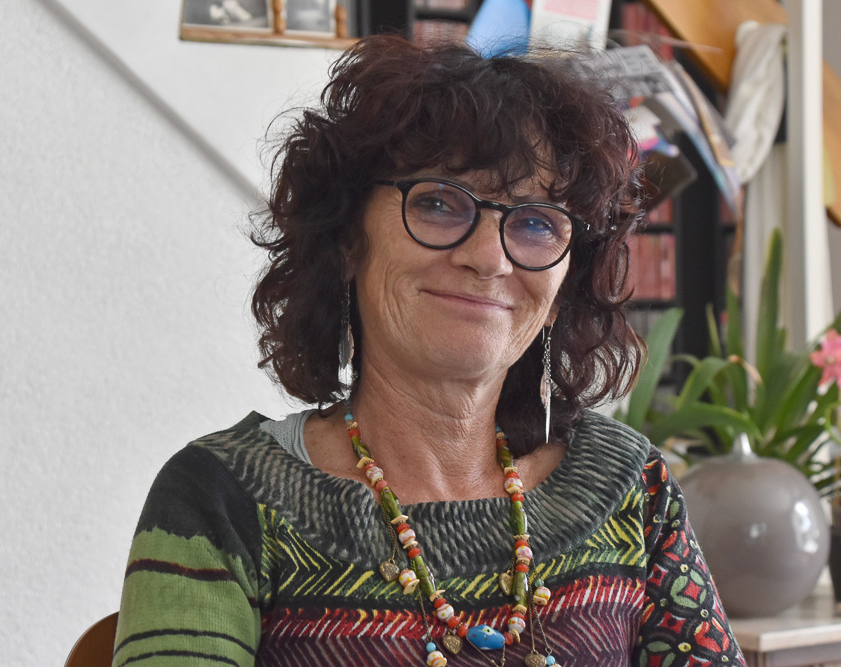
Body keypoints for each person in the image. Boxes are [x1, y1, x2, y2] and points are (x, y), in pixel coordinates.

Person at [112, 35, 745, 667]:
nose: (489, 258)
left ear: (562, 289)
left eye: (535, 223)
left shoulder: (630, 486)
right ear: (347, 240)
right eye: (440, 203)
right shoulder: (222, 498)